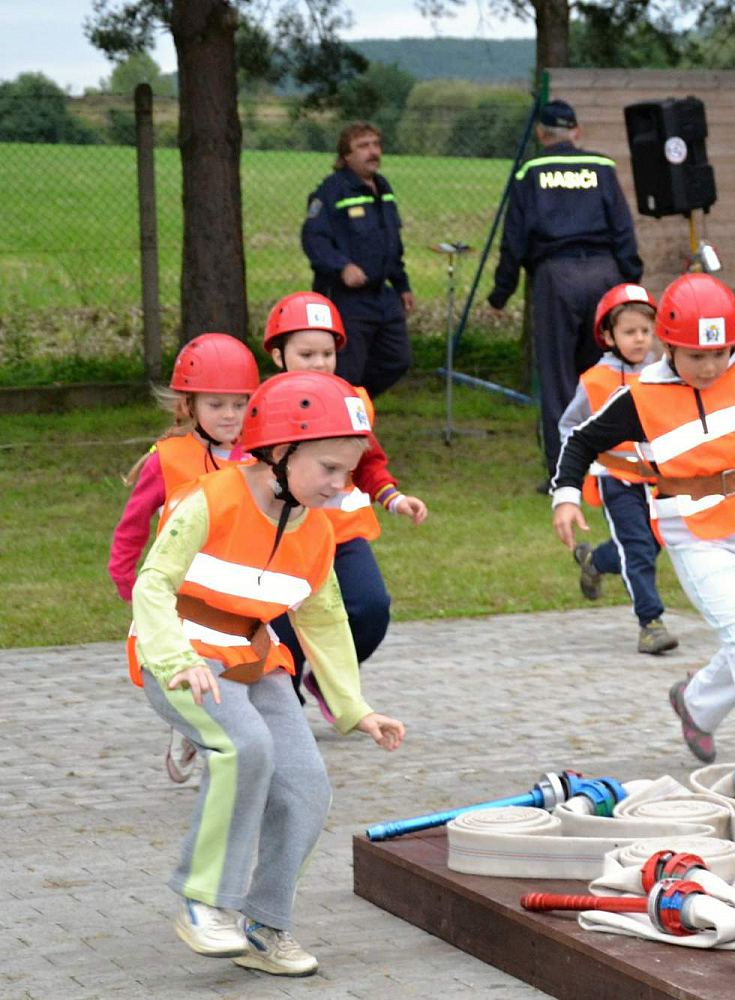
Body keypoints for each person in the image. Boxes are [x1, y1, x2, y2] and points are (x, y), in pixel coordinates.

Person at [127, 370, 405, 977]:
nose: (340, 485)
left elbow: (326, 618)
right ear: (280, 453)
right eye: (329, 469)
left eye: (349, 472)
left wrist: (354, 708)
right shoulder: (210, 498)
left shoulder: (317, 529)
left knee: (307, 784)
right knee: (244, 746)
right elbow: (153, 584)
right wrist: (176, 660)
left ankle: (264, 925)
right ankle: (205, 901)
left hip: (255, 659)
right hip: (181, 654)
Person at [550, 273, 735, 763]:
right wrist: (566, 496)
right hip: (693, 531)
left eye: (721, 354)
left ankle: (695, 704)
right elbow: (581, 440)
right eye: (697, 356)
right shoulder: (641, 396)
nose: (710, 366)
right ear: (669, 348)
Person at [259, 292, 428, 721]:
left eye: (327, 353)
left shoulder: (353, 400)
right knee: (284, 624)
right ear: (278, 356)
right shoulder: (265, 406)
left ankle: (327, 679)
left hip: (343, 535)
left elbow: (369, 461)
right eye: (306, 353)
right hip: (284, 537)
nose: (319, 363)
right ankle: (284, 704)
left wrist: (393, 497)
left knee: (371, 608)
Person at [110, 332, 261, 784]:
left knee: (245, 671)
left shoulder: (261, 456)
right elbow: (133, 522)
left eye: (239, 404)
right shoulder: (168, 459)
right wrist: (124, 575)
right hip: (183, 592)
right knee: (192, 667)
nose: (230, 415)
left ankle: (214, 739)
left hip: (242, 589)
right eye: (217, 405)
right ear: (188, 406)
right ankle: (193, 732)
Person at [486, 99, 644, 484]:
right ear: (577, 132)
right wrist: (630, 283)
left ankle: (565, 473)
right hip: (605, 274)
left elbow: (515, 239)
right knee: (607, 372)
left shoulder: (530, 171)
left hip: (556, 276)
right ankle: (614, 466)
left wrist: (500, 293)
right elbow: (623, 229)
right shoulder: (602, 168)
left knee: (558, 379)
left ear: (541, 134)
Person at [561, 283, 678, 655]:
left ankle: (595, 560)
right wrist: (578, 470)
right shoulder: (594, 381)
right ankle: (651, 623)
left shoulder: (666, 375)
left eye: (646, 331)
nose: (640, 340)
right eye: (630, 332)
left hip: (660, 481)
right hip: (616, 480)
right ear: (609, 336)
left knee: (653, 543)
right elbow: (570, 428)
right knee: (639, 547)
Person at [301, 121, 414, 397]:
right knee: (347, 368)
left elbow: (392, 244)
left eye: (376, 144)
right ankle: (343, 420)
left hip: (382, 296)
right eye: (363, 146)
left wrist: (402, 286)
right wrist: (342, 267)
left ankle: (357, 403)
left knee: (398, 359)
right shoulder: (332, 190)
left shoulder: (383, 188)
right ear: (346, 156)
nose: (372, 152)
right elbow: (314, 239)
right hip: (347, 299)